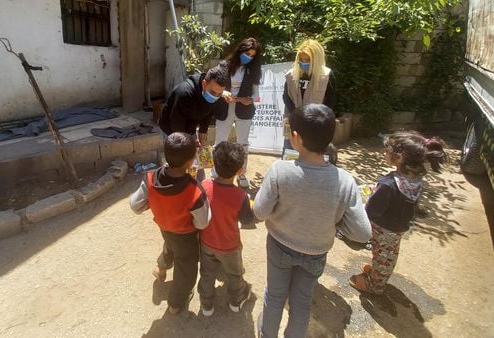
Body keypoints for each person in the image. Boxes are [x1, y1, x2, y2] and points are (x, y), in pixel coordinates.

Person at [253, 104, 371, 338]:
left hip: (279, 245)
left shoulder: (280, 170)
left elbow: (259, 211)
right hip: (316, 253)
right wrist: (335, 223)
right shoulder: (345, 181)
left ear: (295, 137)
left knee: (275, 296)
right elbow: (363, 233)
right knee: (301, 302)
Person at [349, 132, 446, 295]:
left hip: (384, 227)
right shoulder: (415, 178)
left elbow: (372, 211)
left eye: (387, 151)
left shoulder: (388, 185)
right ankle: (376, 273)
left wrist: (362, 202)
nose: (384, 153)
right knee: (386, 253)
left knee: (384, 256)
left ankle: (375, 285)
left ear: (400, 157)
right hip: (398, 225)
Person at [129, 132, 211, 314]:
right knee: (186, 270)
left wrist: (153, 201)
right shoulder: (195, 190)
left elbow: (135, 205)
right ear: (191, 162)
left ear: (166, 156)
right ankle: (175, 304)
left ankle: (161, 268)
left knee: (170, 245)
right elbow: (203, 223)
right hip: (186, 236)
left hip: (165, 227)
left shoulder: (150, 179)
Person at [197, 141, 255, 317]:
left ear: (214, 164)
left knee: (207, 274)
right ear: (239, 171)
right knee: (235, 274)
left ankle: (206, 305)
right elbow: (246, 219)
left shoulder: (204, 186)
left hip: (206, 242)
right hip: (230, 246)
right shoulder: (241, 196)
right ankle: (235, 302)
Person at [211, 37, 263, 188]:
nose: (249, 57)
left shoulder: (253, 70)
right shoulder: (224, 65)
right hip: (224, 108)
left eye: (252, 55)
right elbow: (214, 87)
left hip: (244, 110)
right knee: (220, 141)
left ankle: (241, 174)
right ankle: (216, 172)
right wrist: (224, 93)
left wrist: (249, 100)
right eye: (247, 53)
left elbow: (256, 95)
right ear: (240, 50)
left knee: (243, 144)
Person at [282, 39, 337, 164]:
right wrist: (297, 115)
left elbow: (330, 102)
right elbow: (286, 97)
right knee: (290, 156)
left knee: (315, 157)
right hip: (294, 122)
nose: (303, 63)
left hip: (316, 124)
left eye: (307, 60)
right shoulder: (291, 74)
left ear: (316, 60)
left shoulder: (326, 75)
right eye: (301, 59)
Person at [159, 65, 229, 148]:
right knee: (178, 157)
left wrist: (203, 129)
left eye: (219, 93)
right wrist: (190, 141)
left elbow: (209, 110)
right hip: (170, 129)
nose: (216, 96)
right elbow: (176, 125)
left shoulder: (214, 92)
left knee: (192, 155)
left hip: (190, 126)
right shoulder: (184, 93)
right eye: (213, 92)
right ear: (204, 83)